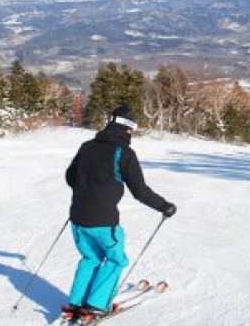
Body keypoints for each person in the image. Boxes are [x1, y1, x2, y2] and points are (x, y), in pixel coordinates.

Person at [63, 105, 176, 320]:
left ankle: (76, 303)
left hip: (78, 218)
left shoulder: (87, 146)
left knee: (90, 257)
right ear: (128, 129)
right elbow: (140, 191)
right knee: (116, 260)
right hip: (103, 221)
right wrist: (164, 206)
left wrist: (87, 191)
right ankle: (97, 304)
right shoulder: (123, 152)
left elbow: (70, 177)